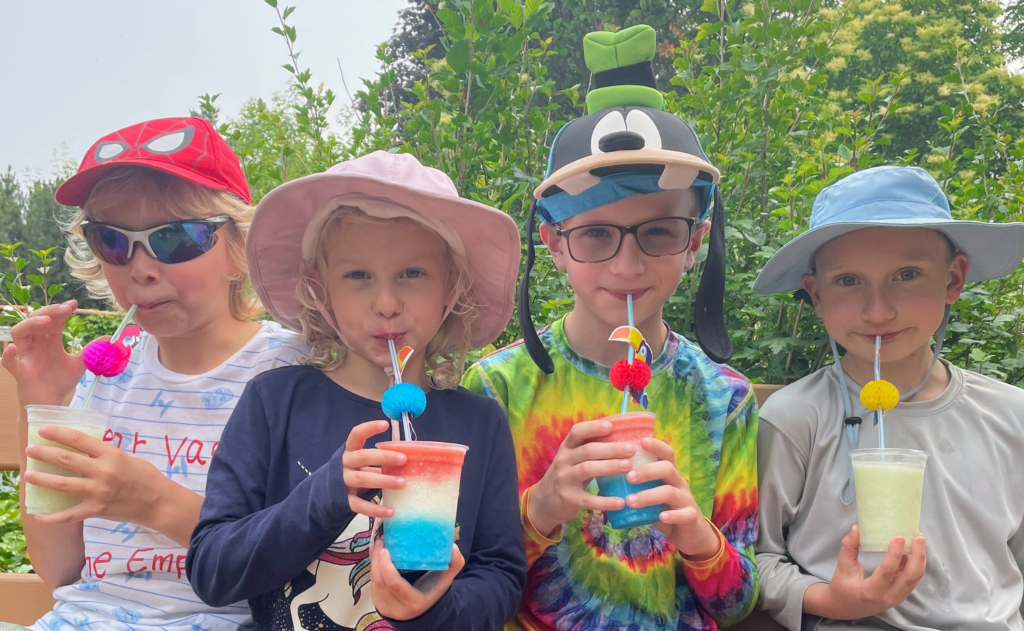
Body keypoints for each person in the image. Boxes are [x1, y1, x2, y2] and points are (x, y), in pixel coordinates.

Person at [462, 25, 759, 631]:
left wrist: (697, 537)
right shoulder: (497, 389)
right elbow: (466, 586)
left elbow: (737, 605)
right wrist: (540, 509)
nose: (627, 265)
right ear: (553, 244)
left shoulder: (724, 398)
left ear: (695, 240)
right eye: (596, 233)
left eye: (658, 231)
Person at [186, 151, 527, 631]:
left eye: (412, 274)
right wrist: (326, 495)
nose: (386, 304)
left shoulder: (479, 423)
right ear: (318, 289)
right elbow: (212, 571)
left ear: (452, 287)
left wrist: (433, 610)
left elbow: (502, 578)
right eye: (357, 276)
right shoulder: (274, 403)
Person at [0, 116, 306, 631]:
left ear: (239, 250)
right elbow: (62, 572)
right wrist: (45, 404)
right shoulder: (106, 378)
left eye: (175, 238)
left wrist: (154, 502)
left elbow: (305, 565)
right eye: (112, 242)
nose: (139, 268)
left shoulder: (292, 373)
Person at [752, 165, 1024, 630]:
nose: (878, 310)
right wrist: (829, 599)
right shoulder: (795, 419)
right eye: (848, 281)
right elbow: (753, 559)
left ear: (953, 279)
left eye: (907, 274)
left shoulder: (1011, 415)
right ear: (815, 295)